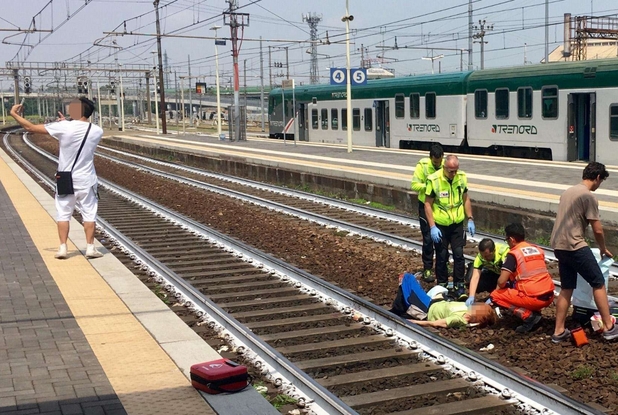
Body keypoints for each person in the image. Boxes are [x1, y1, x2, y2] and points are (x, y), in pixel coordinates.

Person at [10, 97, 104, 260]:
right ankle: (90, 248)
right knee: (89, 214)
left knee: (63, 213)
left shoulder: (63, 127)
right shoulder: (97, 130)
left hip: (65, 178)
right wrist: (64, 124)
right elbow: (76, 137)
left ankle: (62, 248)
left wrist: (13, 114)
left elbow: (29, 127)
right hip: (87, 180)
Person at [550, 162, 618, 342]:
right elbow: (598, 230)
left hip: (559, 246)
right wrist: (603, 249)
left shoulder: (568, 192)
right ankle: (609, 328)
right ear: (597, 178)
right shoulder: (588, 196)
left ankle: (558, 331)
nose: (599, 185)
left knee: (567, 287)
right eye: (601, 181)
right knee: (598, 282)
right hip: (574, 245)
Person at [424, 154, 475, 300]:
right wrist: (432, 226)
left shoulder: (461, 178)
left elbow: (466, 199)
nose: (453, 174)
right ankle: (442, 285)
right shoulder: (434, 180)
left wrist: (470, 218)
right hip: (440, 225)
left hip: (457, 224)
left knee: (459, 255)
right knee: (442, 255)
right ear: (444, 167)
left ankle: (459, 285)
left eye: (455, 170)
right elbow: (428, 204)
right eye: (451, 171)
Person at [490, 223, 555, 333]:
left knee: (495, 296)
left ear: (511, 239)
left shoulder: (514, 254)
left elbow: (501, 282)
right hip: (549, 295)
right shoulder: (537, 250)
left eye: (507, 240)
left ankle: (529, 316)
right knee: (518, 286)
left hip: (534, 299)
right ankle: (534, 312)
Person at [389, 273, 497, 329]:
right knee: (410, 280)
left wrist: (417, 322)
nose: (476, 305)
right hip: (433, 301)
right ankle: (403, 305)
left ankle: (400, 309)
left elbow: (437, 323)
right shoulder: (467, 307)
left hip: (426, 310)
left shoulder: (460, 318)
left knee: (407, 279)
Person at [410, 144, 444, 283]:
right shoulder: (422, 166)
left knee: (442, 239)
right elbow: (414, 185)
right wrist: (429, 186)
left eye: (439, 162)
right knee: (428, 239)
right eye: (435, 163)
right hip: (425, 206)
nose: (438, 165)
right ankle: (427, 268)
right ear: (430, 159)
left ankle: (442, 268)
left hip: (440, 207)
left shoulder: (445, 166)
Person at [465, 239, 510, 306]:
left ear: (494, 251)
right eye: (482, 256)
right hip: (494, 273)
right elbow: (475, 277)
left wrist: (494, 296)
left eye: (487, 256)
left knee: (506, 292)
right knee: (474, 283)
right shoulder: (481, 256)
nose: (484, 258)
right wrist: (471, 296)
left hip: (507, 276)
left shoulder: (504, 253)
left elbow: (503, 278)